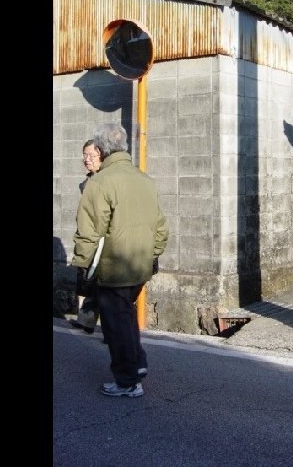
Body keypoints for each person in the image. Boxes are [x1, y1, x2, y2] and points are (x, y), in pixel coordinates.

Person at [72, 123, 169, 398]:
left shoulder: (99, 182)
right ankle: (137, 365)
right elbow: (161, 228)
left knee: (116, 325)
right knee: (126, 317)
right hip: (140, 265)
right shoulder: (144, 179)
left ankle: (127, 380)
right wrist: (153, 253)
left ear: (101, 150)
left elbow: (90, 231)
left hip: (114, 267)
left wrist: (83, 266)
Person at [69, 140, 103, 335]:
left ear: (102, 156)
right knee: (86, 280)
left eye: (91, 155)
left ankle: (113, 331)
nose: (86, 159)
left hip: (101, 240)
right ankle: (86, 321)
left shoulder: (105, 181)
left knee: (101, 284)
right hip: (87, 238)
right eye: (84, 155)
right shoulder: (89, 181)